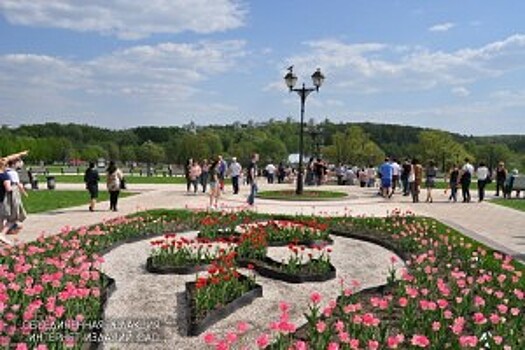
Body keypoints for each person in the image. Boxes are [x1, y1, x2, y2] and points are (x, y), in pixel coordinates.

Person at [4, 158, 28, 234]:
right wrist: (24, 192)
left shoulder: (5, 171)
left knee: (12, 210)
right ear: (14, 163)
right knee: (17, 210)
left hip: (7, 194)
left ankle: (12, 226)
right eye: (19, 162)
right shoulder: (13, 172)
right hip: (14, 192)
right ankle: (9, 228)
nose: (21, 163)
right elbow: (18, 184)